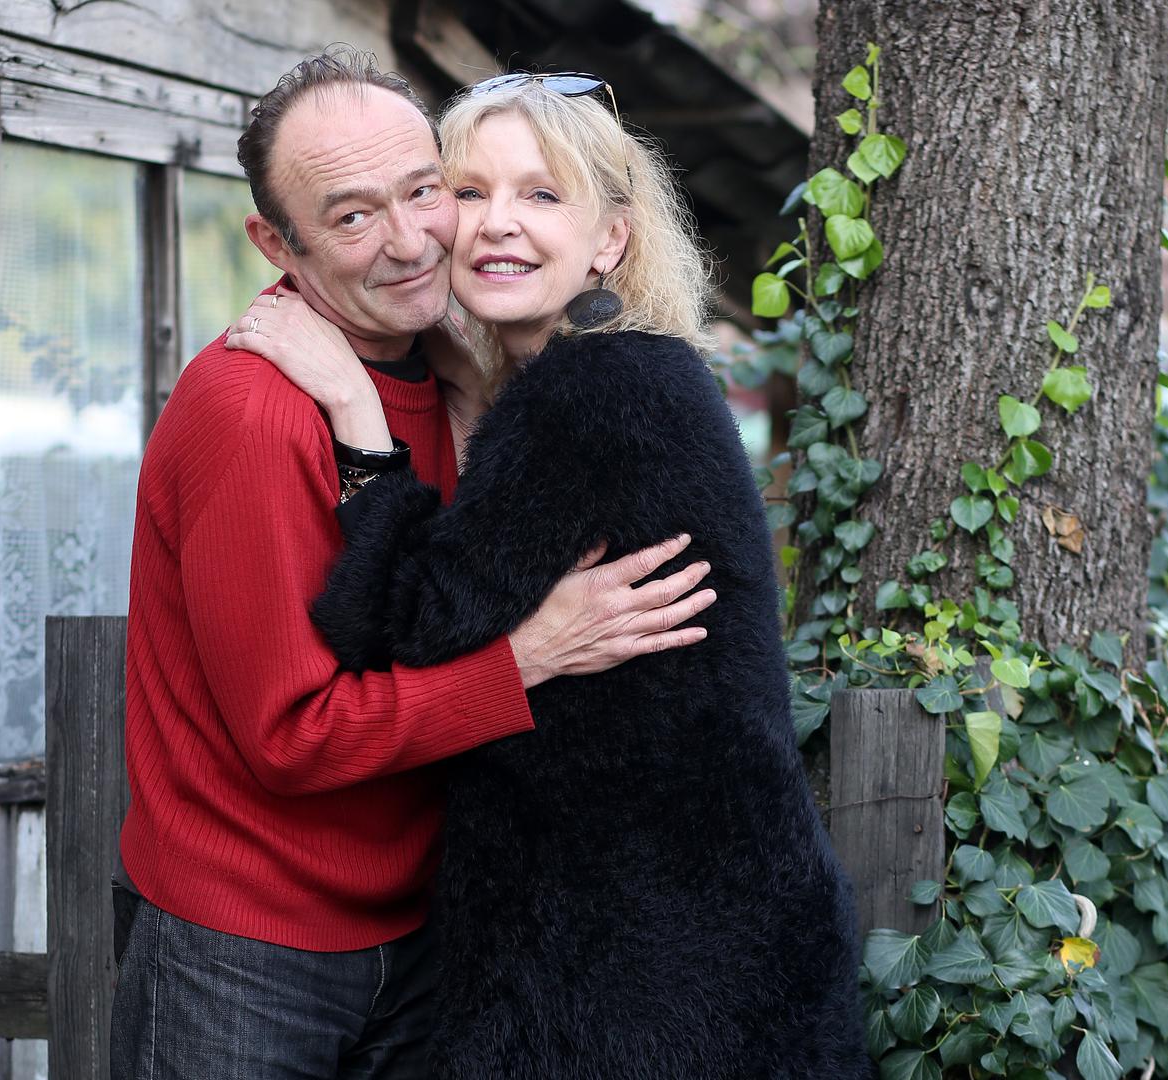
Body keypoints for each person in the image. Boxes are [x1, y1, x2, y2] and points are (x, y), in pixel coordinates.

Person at [232, 73, 869, 1079]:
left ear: (609, 238)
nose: (496, 222)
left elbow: (399, 625)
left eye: (540, 194)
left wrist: (358, 419)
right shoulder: (621, 372)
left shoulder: (592, 390)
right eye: (468, 191)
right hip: (678, 938)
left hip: (647, 976)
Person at [111, 50, 717, 1080]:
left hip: (426, 932)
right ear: (277, 244)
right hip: (251, 950)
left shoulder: (458, 377)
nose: (409, 241)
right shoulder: (253, 411)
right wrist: (530, 656)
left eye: (425, 192)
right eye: (352, 216)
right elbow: (292, 738)